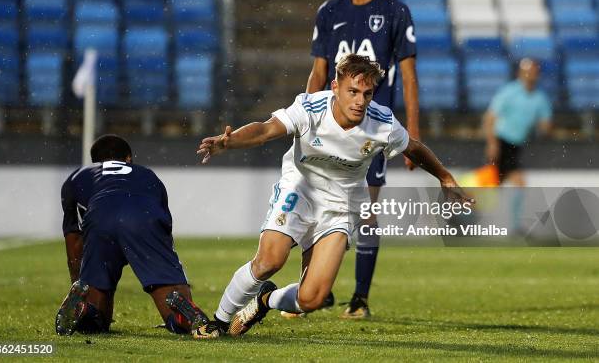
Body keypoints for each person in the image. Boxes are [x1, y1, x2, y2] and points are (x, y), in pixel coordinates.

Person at [192, 54, 470, 339]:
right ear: (336, 87)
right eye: (353, 91)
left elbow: (414, 148)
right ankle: (219, 321)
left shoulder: (382, 122)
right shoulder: (311, 107)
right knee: (269, 261)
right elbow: (265, 129)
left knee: (312, 299)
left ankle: (266, 301)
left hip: (340, 206)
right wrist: (231, 141)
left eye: (367, 93)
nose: (360, 101)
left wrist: (445, 177)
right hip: (299, 189)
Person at [306, 0, 420, 318]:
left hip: (371, 132)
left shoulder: (395, 11)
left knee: (366, 212)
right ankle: (318, 291)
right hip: (328, 129)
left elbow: (408, 77)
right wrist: (307, 115)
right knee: (316, 208)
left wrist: (413, 137)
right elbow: (318, 72)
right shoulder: (330, 12)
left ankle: (360, 299)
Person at [55, 134, 208, 336]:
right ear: (128, 158)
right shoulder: (147, 175)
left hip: (100, 216)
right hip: (143, 217)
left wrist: (80, 282)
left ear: (95, 162)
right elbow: (164, 229)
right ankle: (181, 314)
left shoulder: (77, 177)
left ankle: (86, 312)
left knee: (98, 318)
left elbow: (74, 242)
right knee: (171, 295)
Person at [483, 58, 552, 187]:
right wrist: (492, 144)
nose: (531, 75)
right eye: (527, 72)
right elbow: (490, 118)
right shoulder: (509, 92)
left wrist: (544, 129)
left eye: (534, 72)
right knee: (516, 182)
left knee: (494, 181)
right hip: (502, 142)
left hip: (516, 145)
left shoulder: (541, 98)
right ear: (520, 73)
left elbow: (545, 124)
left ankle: (467, 200)